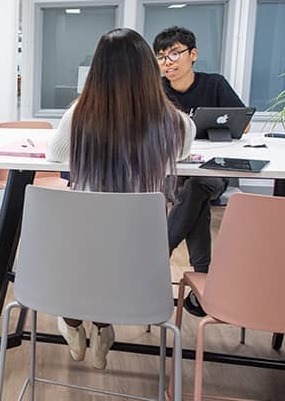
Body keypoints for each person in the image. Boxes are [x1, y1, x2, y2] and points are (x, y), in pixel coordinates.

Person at [47, 28, 195, 370]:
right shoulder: (175, 124)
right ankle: (101, 328)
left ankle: (74, 322)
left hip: (79, 253)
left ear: (97, 71)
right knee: (111, 253)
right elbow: (186, 149)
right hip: (140, 256)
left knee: (84, 250)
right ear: (148, 69)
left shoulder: (79, 115)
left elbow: (55, 155)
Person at [153, 26, 245, 317]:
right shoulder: (155, 89)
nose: (168, 62)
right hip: (173, 173)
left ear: (193, 55)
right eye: (161, 57)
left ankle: (158, 254)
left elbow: (244, 123)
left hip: (212, 170)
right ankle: (202, 284)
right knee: (194, 194)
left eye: (174, 54)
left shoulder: (214, 84)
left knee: (197, 188)